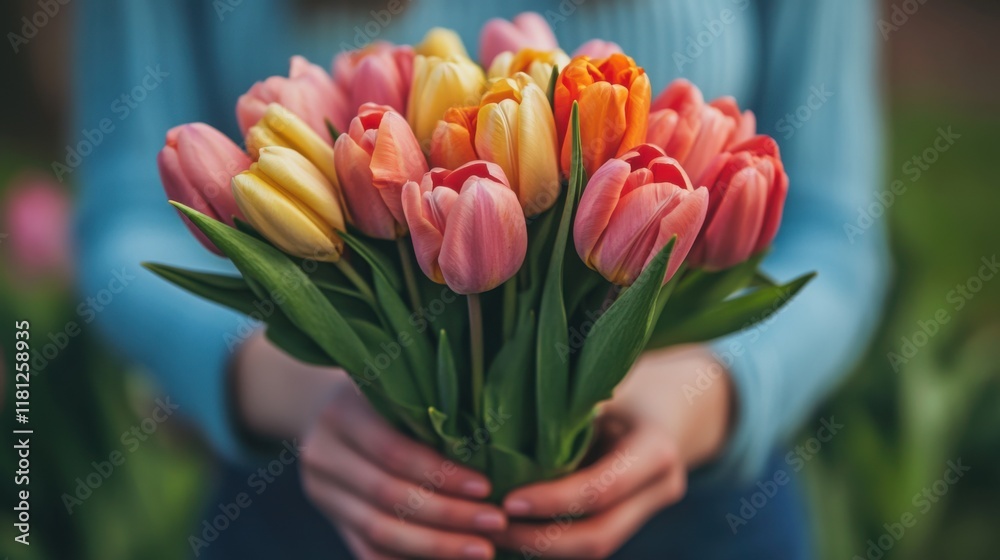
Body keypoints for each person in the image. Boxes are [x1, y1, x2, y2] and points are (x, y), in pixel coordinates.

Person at [74, 1, 889, 558]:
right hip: (320, 501)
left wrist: (704, 397)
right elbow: (125, 217)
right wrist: (290, 387)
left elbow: (837, 232)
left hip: (694, 508)